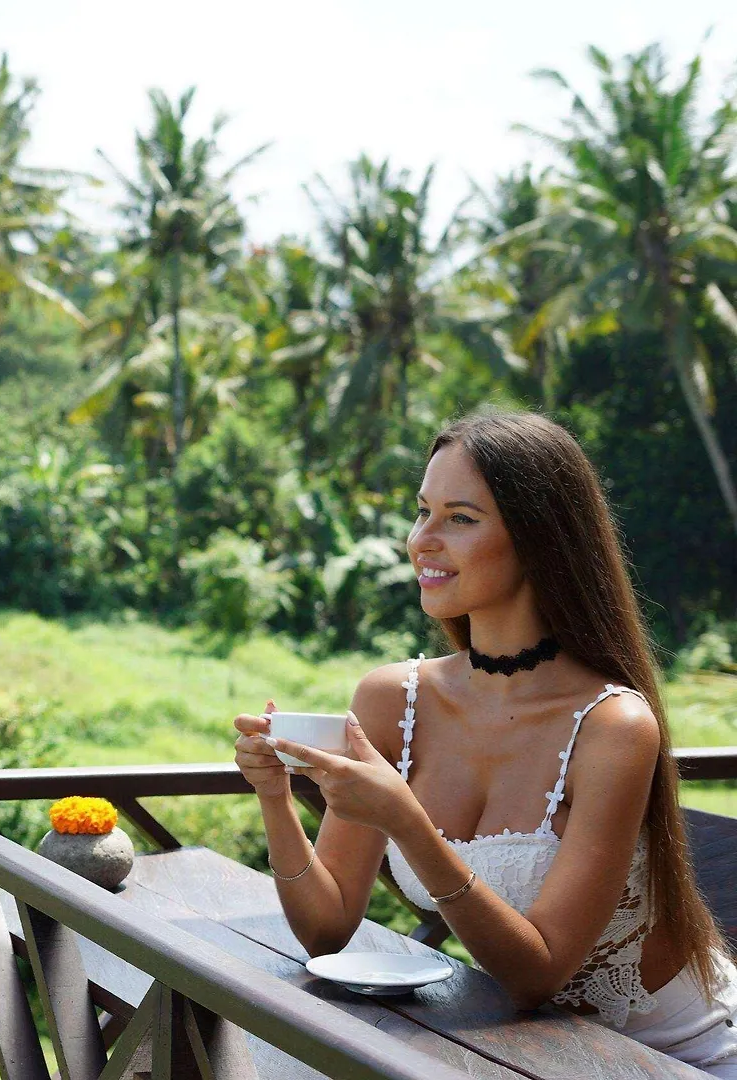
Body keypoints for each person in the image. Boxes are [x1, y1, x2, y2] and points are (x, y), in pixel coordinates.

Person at [233, 409, 737, 1074]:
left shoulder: (614, 726)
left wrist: (406, 822)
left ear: (539, 540)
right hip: (529, 1052)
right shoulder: (391, 699)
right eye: (422, 512)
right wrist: (274, 796)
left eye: (460, 518)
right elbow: (327, 929)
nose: (422, 540)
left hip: (678, 1059)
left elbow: (537, 975)